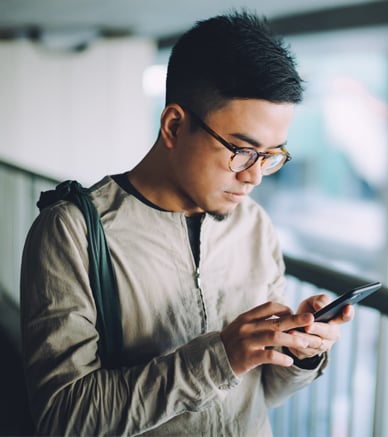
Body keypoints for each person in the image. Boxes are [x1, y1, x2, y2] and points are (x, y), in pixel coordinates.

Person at [20, 11, 354, 436]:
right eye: (241, 150)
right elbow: (63, 419)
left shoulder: (254, 225)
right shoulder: (73, 233)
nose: (253, 175)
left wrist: (300, 351)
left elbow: (259, 394)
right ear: (174, 125)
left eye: (271, 155)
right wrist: (220, 358)